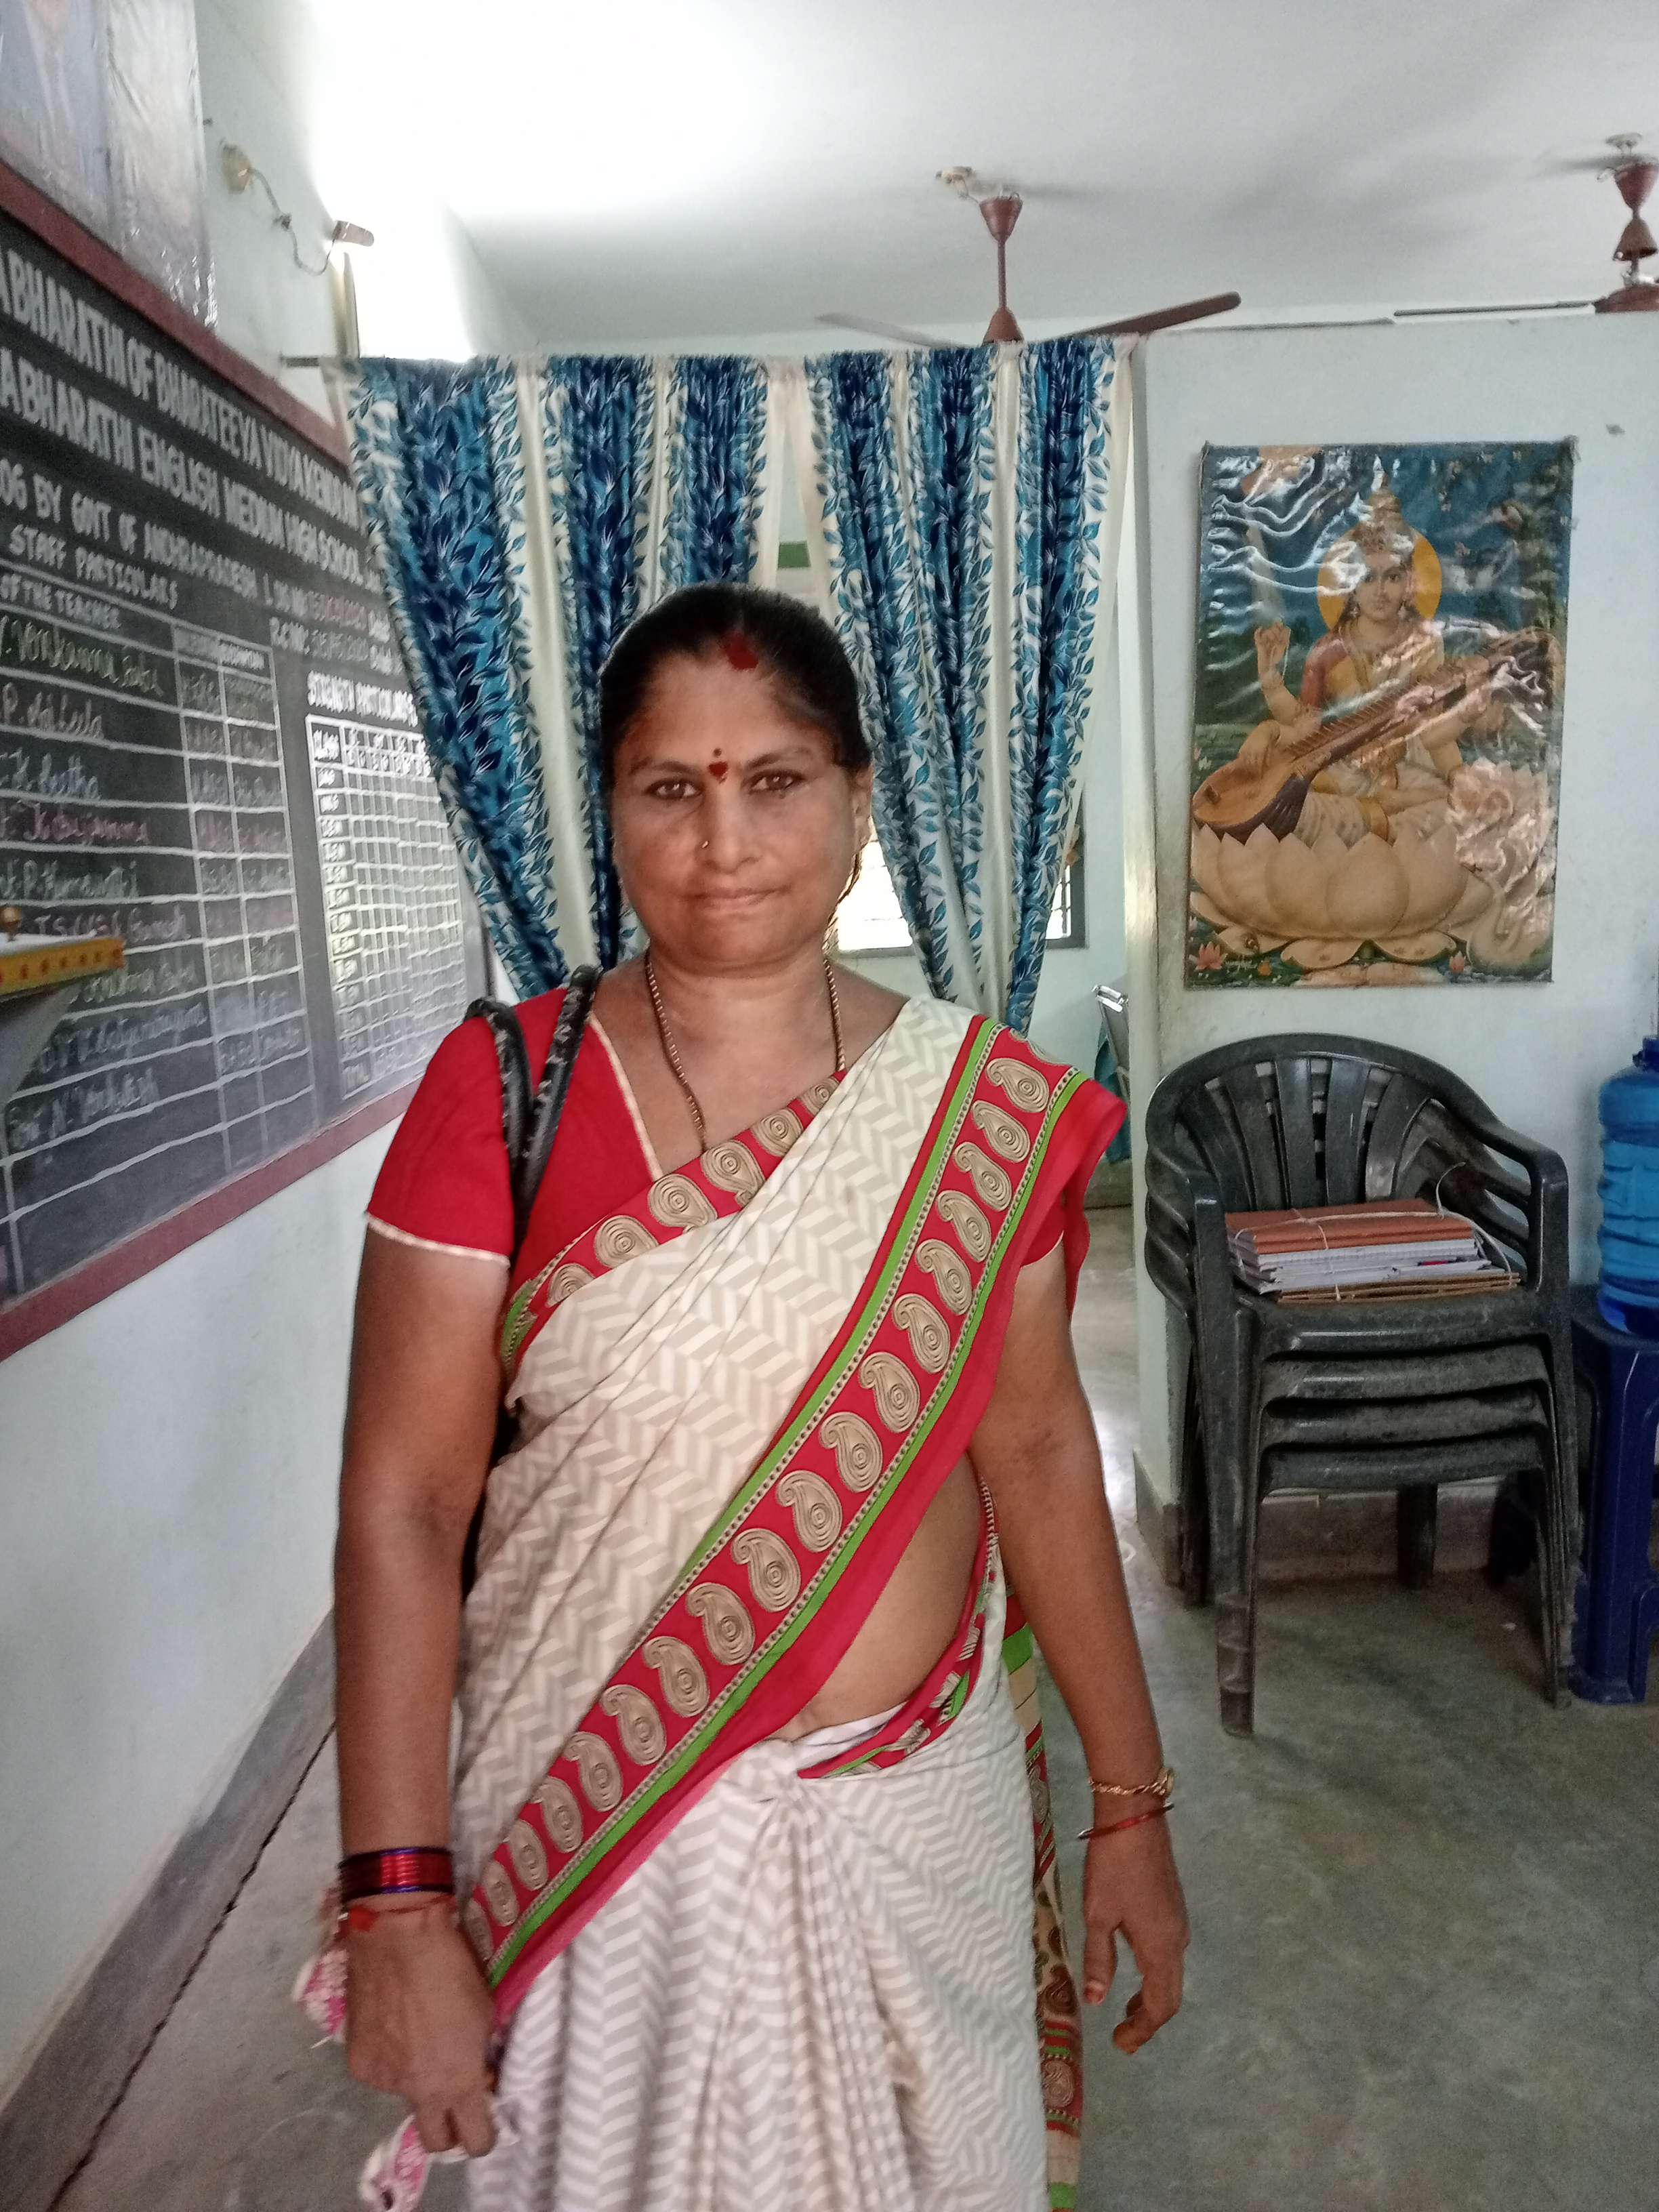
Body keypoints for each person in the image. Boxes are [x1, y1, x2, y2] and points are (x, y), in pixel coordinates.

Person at [332, 582, 1187, 2211]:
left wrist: (1131, 1805)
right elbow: (407, 1508)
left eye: (776, 780)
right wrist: (397, 1904)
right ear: (614, 814)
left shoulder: (978, 1111)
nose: (723, 839)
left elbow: (1033, 1450)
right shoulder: (501, 1096)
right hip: (609, 1839)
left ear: (858, 806)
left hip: (916, 1820)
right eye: (672, 786)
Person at [1244, 489, 1496, 851]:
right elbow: (1305, 728)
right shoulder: (1328, 651)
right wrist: (1270, 683)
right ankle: (1382, 811)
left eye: (1392, 577)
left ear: (1409, 583)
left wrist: (1456, 771)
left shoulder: (1426, 643)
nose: (1380, 591)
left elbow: (1435, 727)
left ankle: (1383, 811)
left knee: (1458, 802)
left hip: (1411, 765)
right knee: (1292, 793)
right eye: (1367, 578)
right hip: (1346, 769)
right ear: (1350, 586)